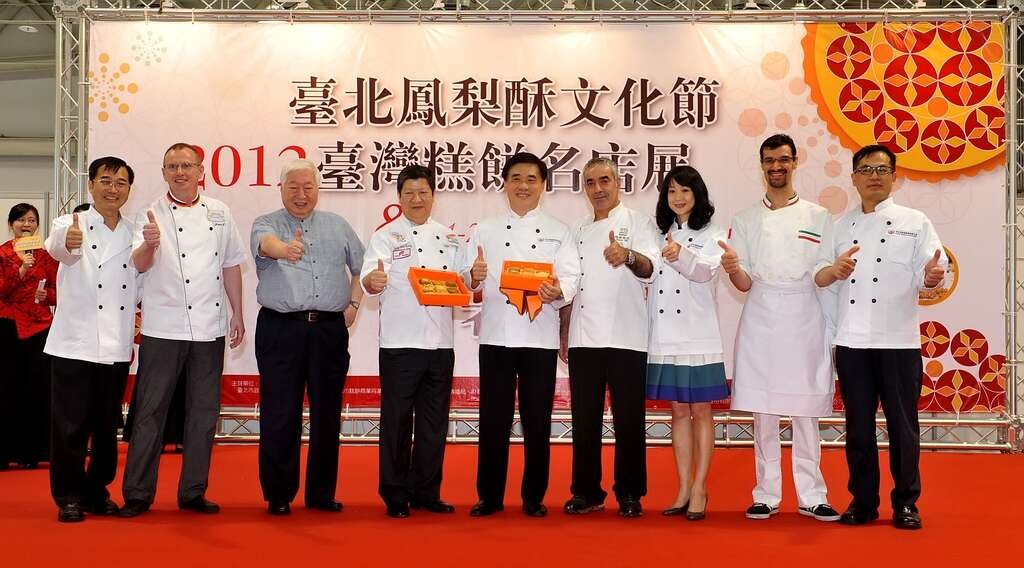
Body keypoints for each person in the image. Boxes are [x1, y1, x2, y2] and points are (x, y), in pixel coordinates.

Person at [814, 144, 945, 530]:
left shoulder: (915, 221)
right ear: (854, 178)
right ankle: (863, 501)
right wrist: (833, 271)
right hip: (853, 340)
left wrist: (932, 277)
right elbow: (819, 274)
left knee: (903, 426)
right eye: (866, 169)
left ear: (894, 177)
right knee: (858, 427)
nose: (874, 176)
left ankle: (906, 503)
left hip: (898, 341)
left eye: (882, 169)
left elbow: (933, 270)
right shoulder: (839, 226)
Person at [119, 142, 247, 518]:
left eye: (187, 166)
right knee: (150, 411)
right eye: (172, 166)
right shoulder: (150, 213)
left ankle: (193, 491)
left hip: (209, 327)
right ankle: (138, 493)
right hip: (163, 326)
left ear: (200, 171)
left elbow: (231, 265)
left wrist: (238, 313)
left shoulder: (220, 212)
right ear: (163, 173)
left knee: (204, 412)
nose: (180, 172)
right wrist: (149, 244)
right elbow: (139, 264)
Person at [723, 133, 840, 522]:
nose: (777, 166)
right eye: (770, 160)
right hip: (762, 314)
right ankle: (766, 494)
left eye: (784, 160)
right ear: (762, 166)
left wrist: (836, 271)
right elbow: (743, 282)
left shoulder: (818, 216)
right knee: (765, 412)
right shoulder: (745, 219)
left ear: (795, 162)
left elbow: (822, 271)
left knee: (805, 412)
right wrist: (733, 269)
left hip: (804, 314)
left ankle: (812, 495)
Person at [547, 157, 660, 518]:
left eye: (604, 181)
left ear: (618, 183)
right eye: (591, 183)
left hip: (627, 336)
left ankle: (630, 493)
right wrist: (561, 319)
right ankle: (586, 491)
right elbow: (569, 280)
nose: (598, 189)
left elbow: (650, 268)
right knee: (584, 420)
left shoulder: (639, 223)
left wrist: (628, 256)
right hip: (584, 338)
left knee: (629, 420)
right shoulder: (577, 229)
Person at [251, 159, 365, 516]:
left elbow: (363, 268)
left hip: (328, 331)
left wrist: (354, 303)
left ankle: (321, 493)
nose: (301, 194)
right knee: (280, 412)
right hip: (281, 329)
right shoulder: (266, 223)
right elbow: (266, 245)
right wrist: (285, 250)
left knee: (327, 413)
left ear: (318, 189)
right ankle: (279, 493)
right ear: (281, 189)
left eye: (308, 187)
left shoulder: (338, 225)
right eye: (293, 187)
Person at [459, 152, 569, 518]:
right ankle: (489, 496)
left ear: (543, 186)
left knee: (537, 420)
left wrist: (559, 290)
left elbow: (571, 277)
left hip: (539, 337)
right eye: (516, 178)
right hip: (496, 336)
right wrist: (473, 276)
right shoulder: (484, 229)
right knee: (494, 419)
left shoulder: (559, 230)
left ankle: (534, 497)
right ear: (505, 183)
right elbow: (466, 279)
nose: (523, 186)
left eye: (532, 179)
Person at [361, 164, 462, 518]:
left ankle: (427, 492)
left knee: (434, 424)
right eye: (409, 193)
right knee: (397, 422)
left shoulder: (450, 238)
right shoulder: (385, 237)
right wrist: (372, 281)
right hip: (400, 345)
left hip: (441, 345)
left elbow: (463, 281)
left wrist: (474, 277)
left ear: (433, 196)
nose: (417, 199)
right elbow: (369, 277)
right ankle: (395, 494)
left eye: (423, 192)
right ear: (399, 198)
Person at [44, 157, 137, 522]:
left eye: (120, 183)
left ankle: (97, 490)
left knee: (105, 427)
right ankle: (68, 495)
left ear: (129, 189)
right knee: (69, 426)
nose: (113, 189)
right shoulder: (70, 223)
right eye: (106, 181)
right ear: (91, 184)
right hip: (74, 342)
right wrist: (67, 242)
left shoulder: (135, 231)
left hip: (115, 345)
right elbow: (57, 248)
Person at [646, 165, 728, 521]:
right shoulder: (656, 233)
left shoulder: (714, 233)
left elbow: (704, 272)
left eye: (685, 191)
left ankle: (700, 487)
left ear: (698, 195)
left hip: (698, 333)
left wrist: (679, 253)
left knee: (701, 411)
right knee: (678, 411)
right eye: (672, 191)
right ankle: (682, 486)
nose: (678, 198)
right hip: (664, 334)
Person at [0, 203, 57, 470]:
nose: (26, 224)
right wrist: (21, 269)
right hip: (8, 326)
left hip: (39, 327)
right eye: (21, 220)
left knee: (37, 388)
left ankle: (32, 453)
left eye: (32, 220)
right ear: (11, 224)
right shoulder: (3, 253)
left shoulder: (45, 255)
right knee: (6, 388)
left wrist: (49, 295)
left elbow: (59, 290)